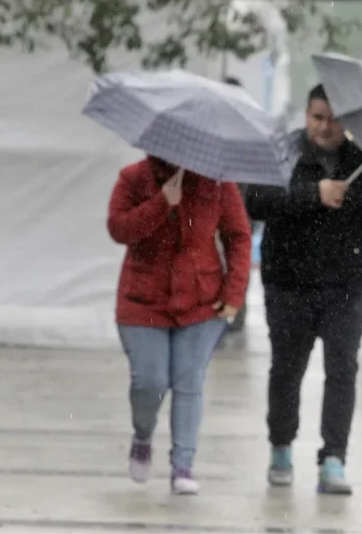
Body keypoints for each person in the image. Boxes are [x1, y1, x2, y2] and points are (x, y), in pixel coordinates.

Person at [244, 84, 362, 494]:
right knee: (286, 371)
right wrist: (313, 194)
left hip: (345, 287)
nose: (324, 126)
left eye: (333, 118)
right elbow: (255, 201)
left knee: (342, 372)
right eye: (317, 117)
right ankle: (281, 445)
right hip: (288, 285)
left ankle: (334, 457)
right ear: (306, 115)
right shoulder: (284, 154)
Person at [107, 156, 251, 495]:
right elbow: (119, 229)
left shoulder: (217, 181)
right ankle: (143, 435)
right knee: (150, 381)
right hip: (143, 301)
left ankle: (183, 464)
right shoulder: (133, 179)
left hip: (201, 301)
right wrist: (161, 202)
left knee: (188, 379)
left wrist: (235, 292)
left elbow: (238, 235)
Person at [222, 75, 252, 333]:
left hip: (240, 211)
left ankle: (236, 309)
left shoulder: (247, 135)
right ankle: (233, 309)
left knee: (237, 259)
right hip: (228, 212)